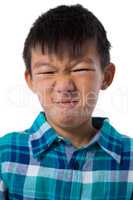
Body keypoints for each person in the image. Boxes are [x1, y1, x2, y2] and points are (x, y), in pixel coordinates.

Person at [0, 4, 132, 200]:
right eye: (47, 71)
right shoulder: (6, 154)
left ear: (106, 76)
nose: (64, 85)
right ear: (31, 80)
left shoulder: (129, 159)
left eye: (80, 69)